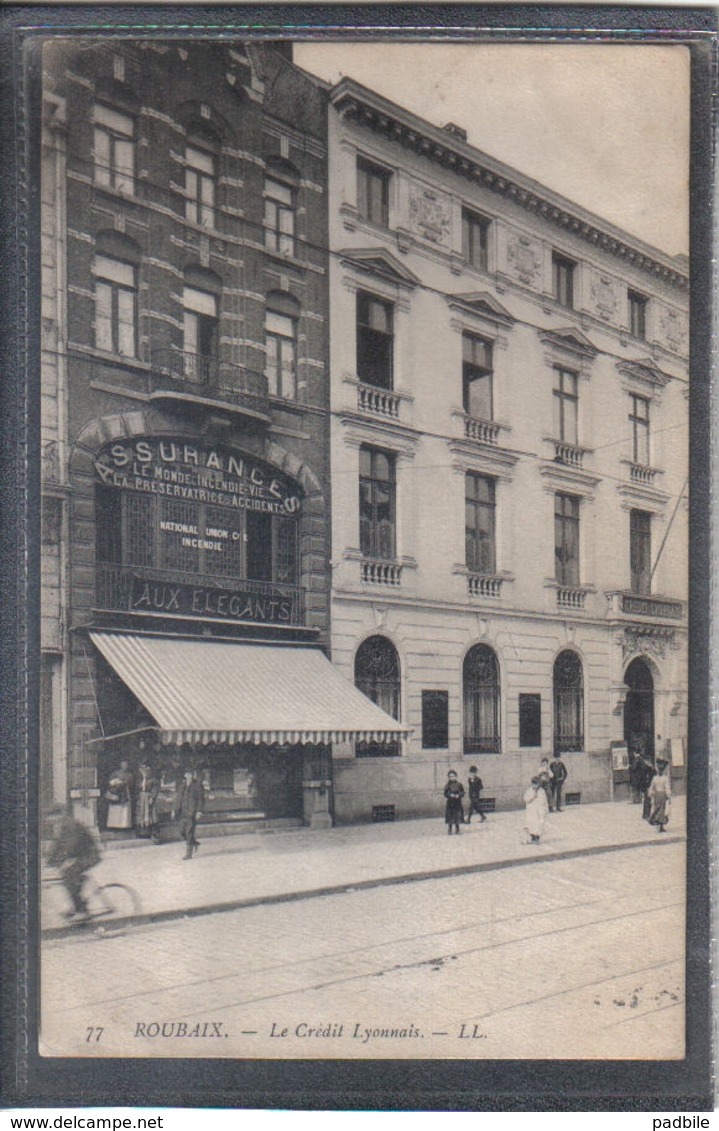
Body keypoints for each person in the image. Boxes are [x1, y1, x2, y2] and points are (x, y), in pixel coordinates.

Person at [45, 811, 101, 919]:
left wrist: (64, 861)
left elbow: (70, 845)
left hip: (89, 855)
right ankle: (77, 906)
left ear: (58, 815)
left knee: (71, 876)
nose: (50, 820)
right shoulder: (61, 826)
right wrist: (49, 862)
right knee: (68, 878)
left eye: (51, 816)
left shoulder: (70, 825)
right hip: (80, 856)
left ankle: (82, 911)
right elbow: (58, 845)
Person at [174, 769, 205, 859]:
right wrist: (174, 810)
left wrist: (199, 811)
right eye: (188, 774)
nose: (190, 776)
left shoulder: (197, 785)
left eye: (191, 774)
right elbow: (178, 799)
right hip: (182, 812)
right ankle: (194, 843)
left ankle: (188, 854)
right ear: (185, 775)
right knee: (181, 831)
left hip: (192, 813)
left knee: (189, 832)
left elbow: (201, 800)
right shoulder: (182, 786)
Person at [135, 760, 161, 843]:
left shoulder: (153, 780)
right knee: (141, 815)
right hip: (141, 798)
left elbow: (155, 789)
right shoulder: (139, 780)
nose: (144, 773)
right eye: (142, 771)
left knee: (151, 815)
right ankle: (142, 833)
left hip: (149, 798)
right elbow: (137, 789)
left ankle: (154, 834)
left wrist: (152, 798)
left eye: (146, 771)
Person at [104, 759, 134, 830]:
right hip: (116, 794)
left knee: (124, 810)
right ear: (120, 765)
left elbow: (130, 783)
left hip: (124, 794)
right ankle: (114, 825)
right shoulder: (115, 773)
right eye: (123, 765)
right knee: (115, 810)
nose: (125, 766)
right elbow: (110, 781)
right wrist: (114, 783)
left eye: (126, 765)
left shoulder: (130, 774)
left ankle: (124, 825)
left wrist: (123, 783)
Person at [647, 757, 671, 832]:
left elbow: (651, 788)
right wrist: (669, 796)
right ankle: (660, 826)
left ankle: (658, 825)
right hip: (662, 795)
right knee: (662, 810)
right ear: (663, 770)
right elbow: (667, 788)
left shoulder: (654, 778)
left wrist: (651, 794)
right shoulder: (665, 778)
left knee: (656, 809)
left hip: (657, 795)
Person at [523, 776, 549, 844]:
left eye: (536, 784)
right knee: (531, 825)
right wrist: (532, 797)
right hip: (531, 811)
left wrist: (545, 810)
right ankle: (532, 838)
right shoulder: (529, 790)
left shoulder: (542, 791)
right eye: (533, 783)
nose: (534, 785)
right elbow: (526, 799)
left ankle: (537, 838)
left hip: (539, 811)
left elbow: (544, 801)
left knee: (538, 825)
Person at [443, 770, 465, 835]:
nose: (452, 777)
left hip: (457, 802)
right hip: (450, 803)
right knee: (450, 816)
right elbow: (445, 793)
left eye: (453, 776)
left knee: (457, 816)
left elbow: (463, 792)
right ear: (449, 777)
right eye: (450, 776)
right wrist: (450, 795)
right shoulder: (447, 785)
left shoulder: (459, 784)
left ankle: (457, 830)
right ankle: (449, 830)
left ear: (456, 776)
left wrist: (459, 795)